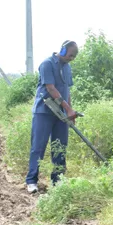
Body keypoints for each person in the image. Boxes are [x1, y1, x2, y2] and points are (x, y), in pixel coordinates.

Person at [25, 40, 79, 193]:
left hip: (60, 113)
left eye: (74, 56)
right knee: (38, 147)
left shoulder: (67, 68)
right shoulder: (47, 64)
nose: (71, 58)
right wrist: (67, 109)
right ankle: (31, 181)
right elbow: (51, 88)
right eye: (70, 55)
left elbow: (66, 91)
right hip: (44, 111)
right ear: (62, 51)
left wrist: (70, 111)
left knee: (60, 147)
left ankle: (58, 182)